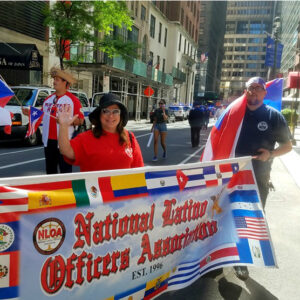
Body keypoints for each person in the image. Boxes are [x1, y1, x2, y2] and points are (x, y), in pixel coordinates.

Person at [233, 77, 292, 280]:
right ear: (246, 91)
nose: (254, 92)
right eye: (251, 88)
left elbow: (288, 146)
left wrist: (270, 154)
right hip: (231, 175)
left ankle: (243, 261)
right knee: (229, 215)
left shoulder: (274, 116)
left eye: (259, 88)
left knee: (250, 219)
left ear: (265, 93)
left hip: (258, 177)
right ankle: (224, 255)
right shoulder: (235, 114)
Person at [57, 93, 144, 172]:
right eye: (106, 111)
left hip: (123, 189)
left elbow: (139, 170)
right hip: (94, 189)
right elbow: (66, 151)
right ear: (99, 114)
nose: (111, 115)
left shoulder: (130, 137)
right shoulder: (86, 138)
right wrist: (63, 126)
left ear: (120, 116)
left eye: (116, 111)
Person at [22, 67, 84, 174]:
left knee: (65, 172)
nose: (54, 82)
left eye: (57, 79)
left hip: (65, 142)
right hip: (48, 141)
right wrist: (30, 113)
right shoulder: (48, 99)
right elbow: (41, 115)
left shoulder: (74, 100)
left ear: (65, 83)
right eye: (54, 79)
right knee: (50, 172)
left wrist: (66, 122)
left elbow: (81, 120)